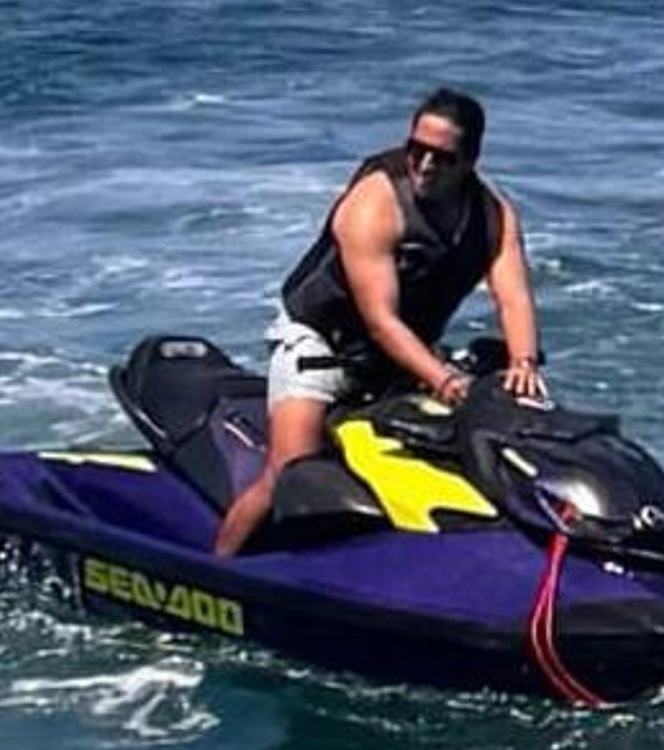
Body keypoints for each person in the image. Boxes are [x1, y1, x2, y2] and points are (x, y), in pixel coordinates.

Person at [214, 87, 546, 556]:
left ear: (470, 161)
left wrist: (524, 363)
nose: (425, 165)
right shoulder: (375, 202)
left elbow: (513, 297)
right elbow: (381, 321)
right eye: (417, 149)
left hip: (404, 355)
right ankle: (218, 569)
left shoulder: (493, 215)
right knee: (291, 469)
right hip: (322, 346)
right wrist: (444, 381)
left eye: (442, 157)